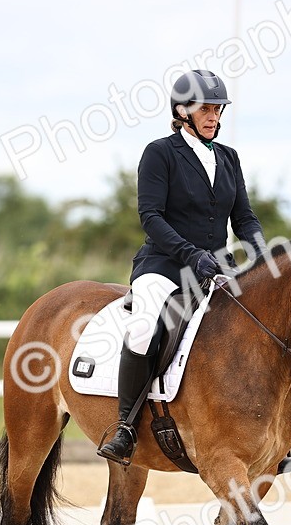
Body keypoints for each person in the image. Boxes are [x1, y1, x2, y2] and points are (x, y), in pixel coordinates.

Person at [97, 69, 267, 465]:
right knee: (142, 331)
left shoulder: (228, 158)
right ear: (182, 110)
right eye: (205, 108)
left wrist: (262, 255)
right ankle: (124, 426)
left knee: (260, 326)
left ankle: (272, 434)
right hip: (164, 266)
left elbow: (243, 217)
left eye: (218, 109)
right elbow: (151, 216)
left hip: (216, 269)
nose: (213, 116)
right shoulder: (160, 153)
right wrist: (192, 255)